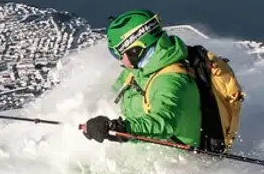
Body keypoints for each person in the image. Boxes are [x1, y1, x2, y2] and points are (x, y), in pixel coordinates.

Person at [82, 9, 202, 147]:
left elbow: (164, 123)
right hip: (142, 149)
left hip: (172, 161)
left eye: (119, 53)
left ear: (135, 50)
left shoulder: (170, 81)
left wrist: (116, 128)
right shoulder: (139, 70)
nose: (120, 60)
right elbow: (113, 91)